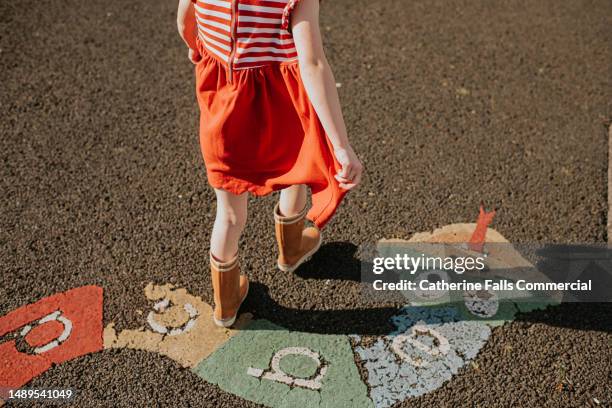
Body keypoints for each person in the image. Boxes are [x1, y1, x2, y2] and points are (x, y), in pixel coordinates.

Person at [177, 0, 363, 327]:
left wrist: (198, 50)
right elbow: (313, 63)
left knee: (231, 214)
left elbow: (185, 23)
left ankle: (226, 302)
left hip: (223, 110)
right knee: (293, 169)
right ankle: (291, 250)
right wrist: (342, 145)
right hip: (282, 103)